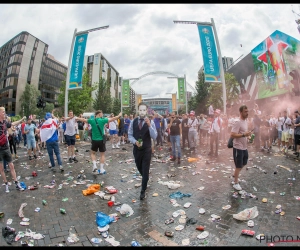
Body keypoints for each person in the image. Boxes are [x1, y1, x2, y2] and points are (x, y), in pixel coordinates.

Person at [77, 110, 122, 174]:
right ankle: (101, 169)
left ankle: (95, 166)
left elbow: (83, 120)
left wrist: (76, 118)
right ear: (99, 114)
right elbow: (113, 119)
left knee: (92, 153)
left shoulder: (92, 120)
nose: (102, 115)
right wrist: (119, 115)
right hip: (101, 140)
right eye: (102, 114)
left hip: (94, 140)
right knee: (102, 155)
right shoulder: (102, 120)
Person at [128, 102, 157, 200]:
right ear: (138, 110)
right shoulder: (133, 121)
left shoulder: (151, 122)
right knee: (139, 167)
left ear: (147, 111)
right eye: (140, 110)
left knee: (145, 170)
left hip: (147, 149)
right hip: (137, 149)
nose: (142, 112)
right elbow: (130, 134)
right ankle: (146, 178)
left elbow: (154, 136)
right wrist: (134, 141)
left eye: (144, 110)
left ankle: (143, 190)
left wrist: (149, 126)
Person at [0, 107, 26, 193]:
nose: (5, 113)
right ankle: (6, 184)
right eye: (3, 112)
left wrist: (21, 119)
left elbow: (12, 124)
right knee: (2, 169)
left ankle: (16, 183)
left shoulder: (5, 123)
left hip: (6, 148)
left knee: (11, 166)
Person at [230, 105, 252, 191]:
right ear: (241, 112)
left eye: (247, 111)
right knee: (238, 165)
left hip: (244, 147)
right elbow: (232, 134)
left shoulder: (245, 121)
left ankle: (235, 174)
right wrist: (243, 135)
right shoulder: (237, 122)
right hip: (238, 147)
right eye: (245, 112)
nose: (247, 113)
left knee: (244, 163)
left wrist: (248, 137)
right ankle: (235, 183)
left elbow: (244, 133)